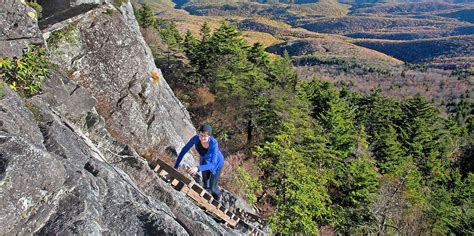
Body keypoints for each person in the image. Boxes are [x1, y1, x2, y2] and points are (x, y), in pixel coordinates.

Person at [174, 124, 224, 200]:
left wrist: (197, 168)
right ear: (199, 133)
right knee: (205, 183)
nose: (202, 138)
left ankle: (218, 197)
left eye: (205, 136)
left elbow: (213, 164)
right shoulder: (195, 139)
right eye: (201, 135)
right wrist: (176, 166)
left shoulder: (214, 144)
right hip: (204, 160)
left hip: (217, 163)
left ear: (209, 136)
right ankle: (207, 199)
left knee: (212, 187)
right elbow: (184, 150)